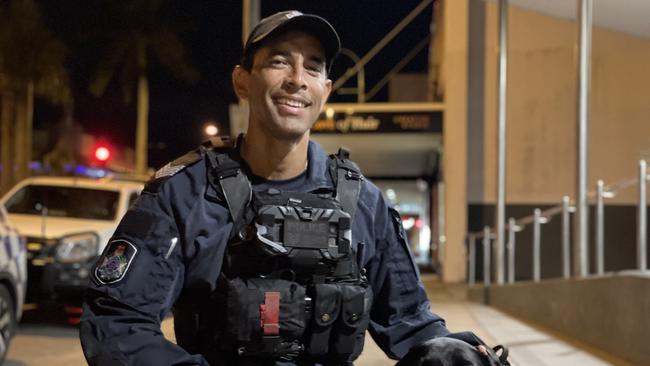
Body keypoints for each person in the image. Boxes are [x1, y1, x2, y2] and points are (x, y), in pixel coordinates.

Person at [79, 10, 506, 366]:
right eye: (279, 61)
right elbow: (117, 321)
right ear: (242, 80)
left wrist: (463, 354)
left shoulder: (363, 203)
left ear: (326, 90)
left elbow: (411, 323)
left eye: (314, 67)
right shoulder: (185, 193)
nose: (297, 79)